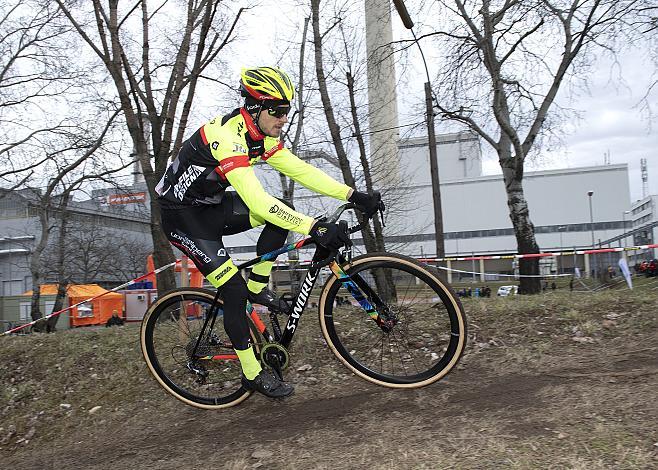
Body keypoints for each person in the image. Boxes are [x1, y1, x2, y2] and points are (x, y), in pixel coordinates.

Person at [155, 66, 382, 399]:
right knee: (232, 289)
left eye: (287, 111)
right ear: (253, 107)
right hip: (182, 217)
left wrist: (352, 194)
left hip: (210, 205)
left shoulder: (262, 136)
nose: (283, 118)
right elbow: (257, 202)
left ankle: (257, 287)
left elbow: (301, 170)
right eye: (276, 110)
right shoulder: (228, 138)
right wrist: (313, 227)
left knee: (279, 213)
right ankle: (252, 373)